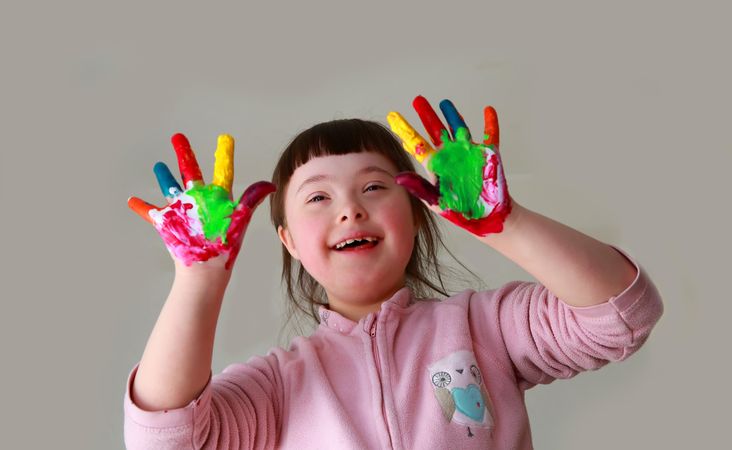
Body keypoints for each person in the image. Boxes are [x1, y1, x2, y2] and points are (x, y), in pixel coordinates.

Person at [123, 96, 664, 449]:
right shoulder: (278, 386)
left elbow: (621, 314)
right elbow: (163, 439)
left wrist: (507, 224)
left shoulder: (486, 329)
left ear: (418, 210)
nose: (350, 210)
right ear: (287, 240)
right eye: (317, 197)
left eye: (375, 187)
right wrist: (199, 279)